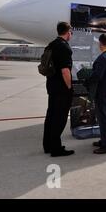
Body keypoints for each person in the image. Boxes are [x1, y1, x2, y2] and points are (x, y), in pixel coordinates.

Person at [43, 22, 75, 157]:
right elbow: (65, 71)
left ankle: (48, 145)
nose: (71, 34)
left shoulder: (51, 44)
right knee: (60, 118)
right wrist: (69, 88)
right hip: (62, 89)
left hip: (51, 85)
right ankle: (56, 149)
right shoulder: (64, 47)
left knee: (50, 116)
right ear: (68, 32)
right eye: (71, 32)